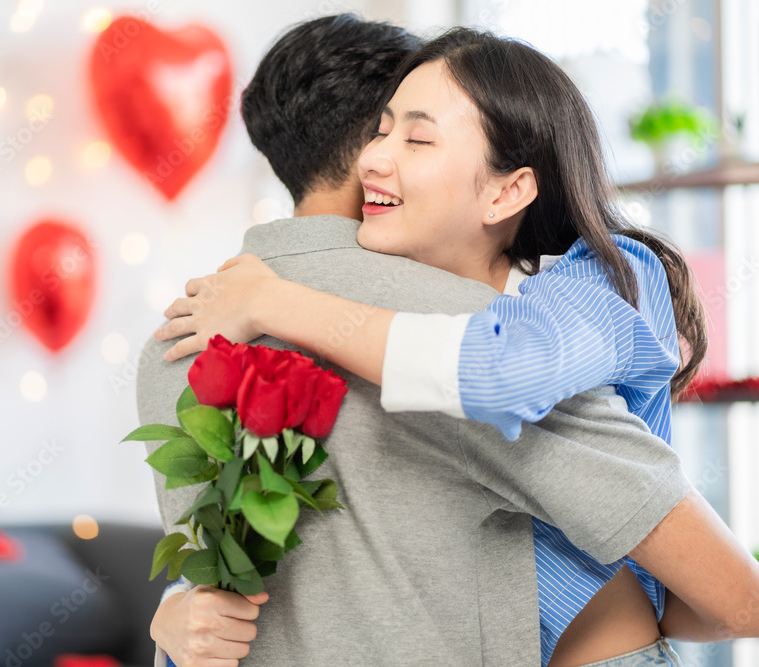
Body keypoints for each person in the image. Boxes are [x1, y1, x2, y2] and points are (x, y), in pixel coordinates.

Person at [142, 18, 759, 667]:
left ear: (507, 188)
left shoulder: (595, 280)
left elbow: (501, 372)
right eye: (380, 131)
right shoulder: (410, 310)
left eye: (417, 138)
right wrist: (179, 607)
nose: (375, 160)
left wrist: (276, 301)